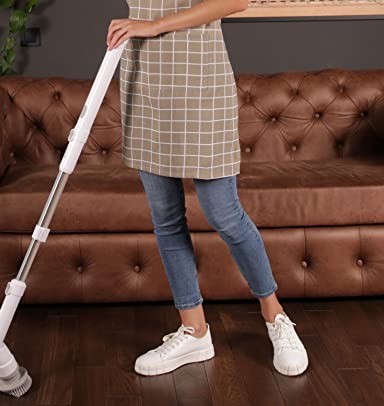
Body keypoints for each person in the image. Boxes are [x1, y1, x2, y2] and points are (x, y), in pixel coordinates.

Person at [107, 0, 309, 377]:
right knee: (166, 218)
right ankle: (194, 330)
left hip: (201, 83)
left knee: (224, 214)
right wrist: (139, 27)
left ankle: (276, 317)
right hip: (145, 82)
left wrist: (153, 25)